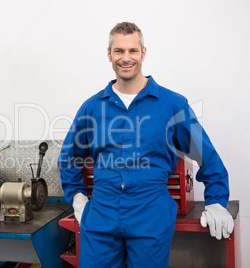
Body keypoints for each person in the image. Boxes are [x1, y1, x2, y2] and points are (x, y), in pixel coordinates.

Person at [58, 22, 234, 267]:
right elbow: (69, 157)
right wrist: (77, 196)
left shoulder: (172, 104)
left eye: (133, 50)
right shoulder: (91, 107)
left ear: (143, 53)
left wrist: (216, 200)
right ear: (109, 55)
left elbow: (206, 155)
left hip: (151, 214)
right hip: (100, 216)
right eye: (119, 51)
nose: (126, 58)